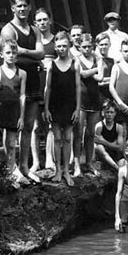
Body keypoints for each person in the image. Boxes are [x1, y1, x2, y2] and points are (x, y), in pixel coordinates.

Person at [0, 0, 45, 183]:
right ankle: (11, 168)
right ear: (12, 8)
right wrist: (32, 54)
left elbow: (41, 53)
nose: (22, 9)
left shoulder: (34, 29)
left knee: (28, 125)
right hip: (14, 80)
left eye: (25, 5)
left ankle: (24, 166)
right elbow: (9, 56)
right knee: (11, 126)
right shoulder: (8, 30)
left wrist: (25, 51)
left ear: (29, 7)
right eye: (18, 6)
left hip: (32, 78)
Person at [0, 39, 27, 185]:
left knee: (11, 143)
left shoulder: (22, 74)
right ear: (2, 54)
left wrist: (21, 116)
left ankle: (11, 171)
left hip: (13, 112)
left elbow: (22, 95)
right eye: (8, 53)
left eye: (14, 53)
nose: (11, 55)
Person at [44, 31, 81, 185]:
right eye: (58, 46)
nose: (61, 49)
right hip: (55, 105)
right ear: (55, 47)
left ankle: (66, 170)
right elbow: (48, 88)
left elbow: (78, 87)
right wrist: (45, 108)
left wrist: (78, 108)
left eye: (64, 46)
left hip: (70, 105)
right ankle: (58, 169)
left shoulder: (75, 64)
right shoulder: (51, 65)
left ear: (69, 46)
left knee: (67, 137)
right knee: (57, 137)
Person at [73, 32, 103, 177]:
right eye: (84, 47)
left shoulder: (97, 59)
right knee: (78, 132)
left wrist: (95, 70)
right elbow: (82, 74)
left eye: (89, 47)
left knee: (90, 133)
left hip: (94, 98)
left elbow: (101, 77)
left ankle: (89, 163)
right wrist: (97, 69)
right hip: (81, 99)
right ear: (79, 47)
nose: (87, 49)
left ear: (93, 46)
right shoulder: (76, 59)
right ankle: (77, 163)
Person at [34, 8, 58, 173]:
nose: (42, 23)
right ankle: (36, 162)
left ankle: (49, 159)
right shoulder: (33, 41)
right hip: (35, 86)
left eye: (44, 19)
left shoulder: (56, 41)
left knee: (50, 125)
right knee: (35, 126)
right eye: (39, 21)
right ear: (35, 23)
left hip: (52, 87)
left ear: (50, 21)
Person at [93, 98, 125, 172]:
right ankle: (117, 169)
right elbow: (97, 147)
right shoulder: (99, 126)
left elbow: (120, 147)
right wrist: (113, 145)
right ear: (102, 113)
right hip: (103, 154)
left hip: (114, 153)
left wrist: (104, 141)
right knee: (100, 148)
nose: (109, 115)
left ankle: (122, 176)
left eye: (111, 112)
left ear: (115, 113)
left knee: (122, 162)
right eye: (107, 112)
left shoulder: (119, 127)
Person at [95, 32, 115, 104]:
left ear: (110, 45)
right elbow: (99, 81)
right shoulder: (95, 60)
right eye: (101, 45)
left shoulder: (112, 61)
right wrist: (112, 78)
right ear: (97, 45)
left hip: (112, 93)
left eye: (106, 44)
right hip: (100, 94)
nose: (104, 47)